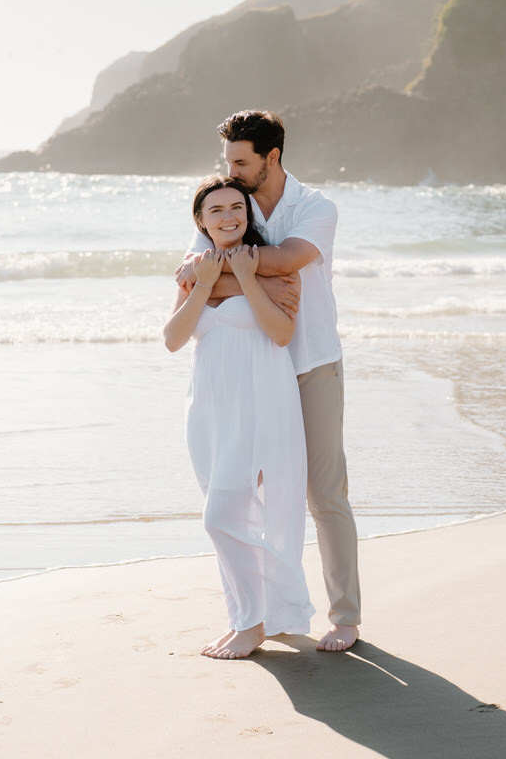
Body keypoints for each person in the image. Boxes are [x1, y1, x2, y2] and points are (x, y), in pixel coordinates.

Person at [177, 110, 360, 653]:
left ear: (271, 157)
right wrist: (231, 273)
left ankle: (345, 616)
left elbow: (286, 261)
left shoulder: (316, 208)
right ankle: (256, 614)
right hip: (253, 370)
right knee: (240, 496)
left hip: (311, 362)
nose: (230, 170)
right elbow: (191, 272)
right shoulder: (231, 203)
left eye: (240, 161)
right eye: (228, 161)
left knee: (324, 494)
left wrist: (224, 270)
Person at [164, 175, 314, 660]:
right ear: (200, 221)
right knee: (230, 513)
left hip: (260, 401)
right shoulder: (195, 271)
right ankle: (245, 618)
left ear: (247, 215)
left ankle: (253, 622)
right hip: (208, 409)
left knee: (221, 517)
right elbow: (173, 339)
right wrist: (204, 284)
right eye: (216, 210)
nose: (228, 217)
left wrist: (247, 278)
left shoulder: (273, 268)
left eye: (236, 207)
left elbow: (281, 334)